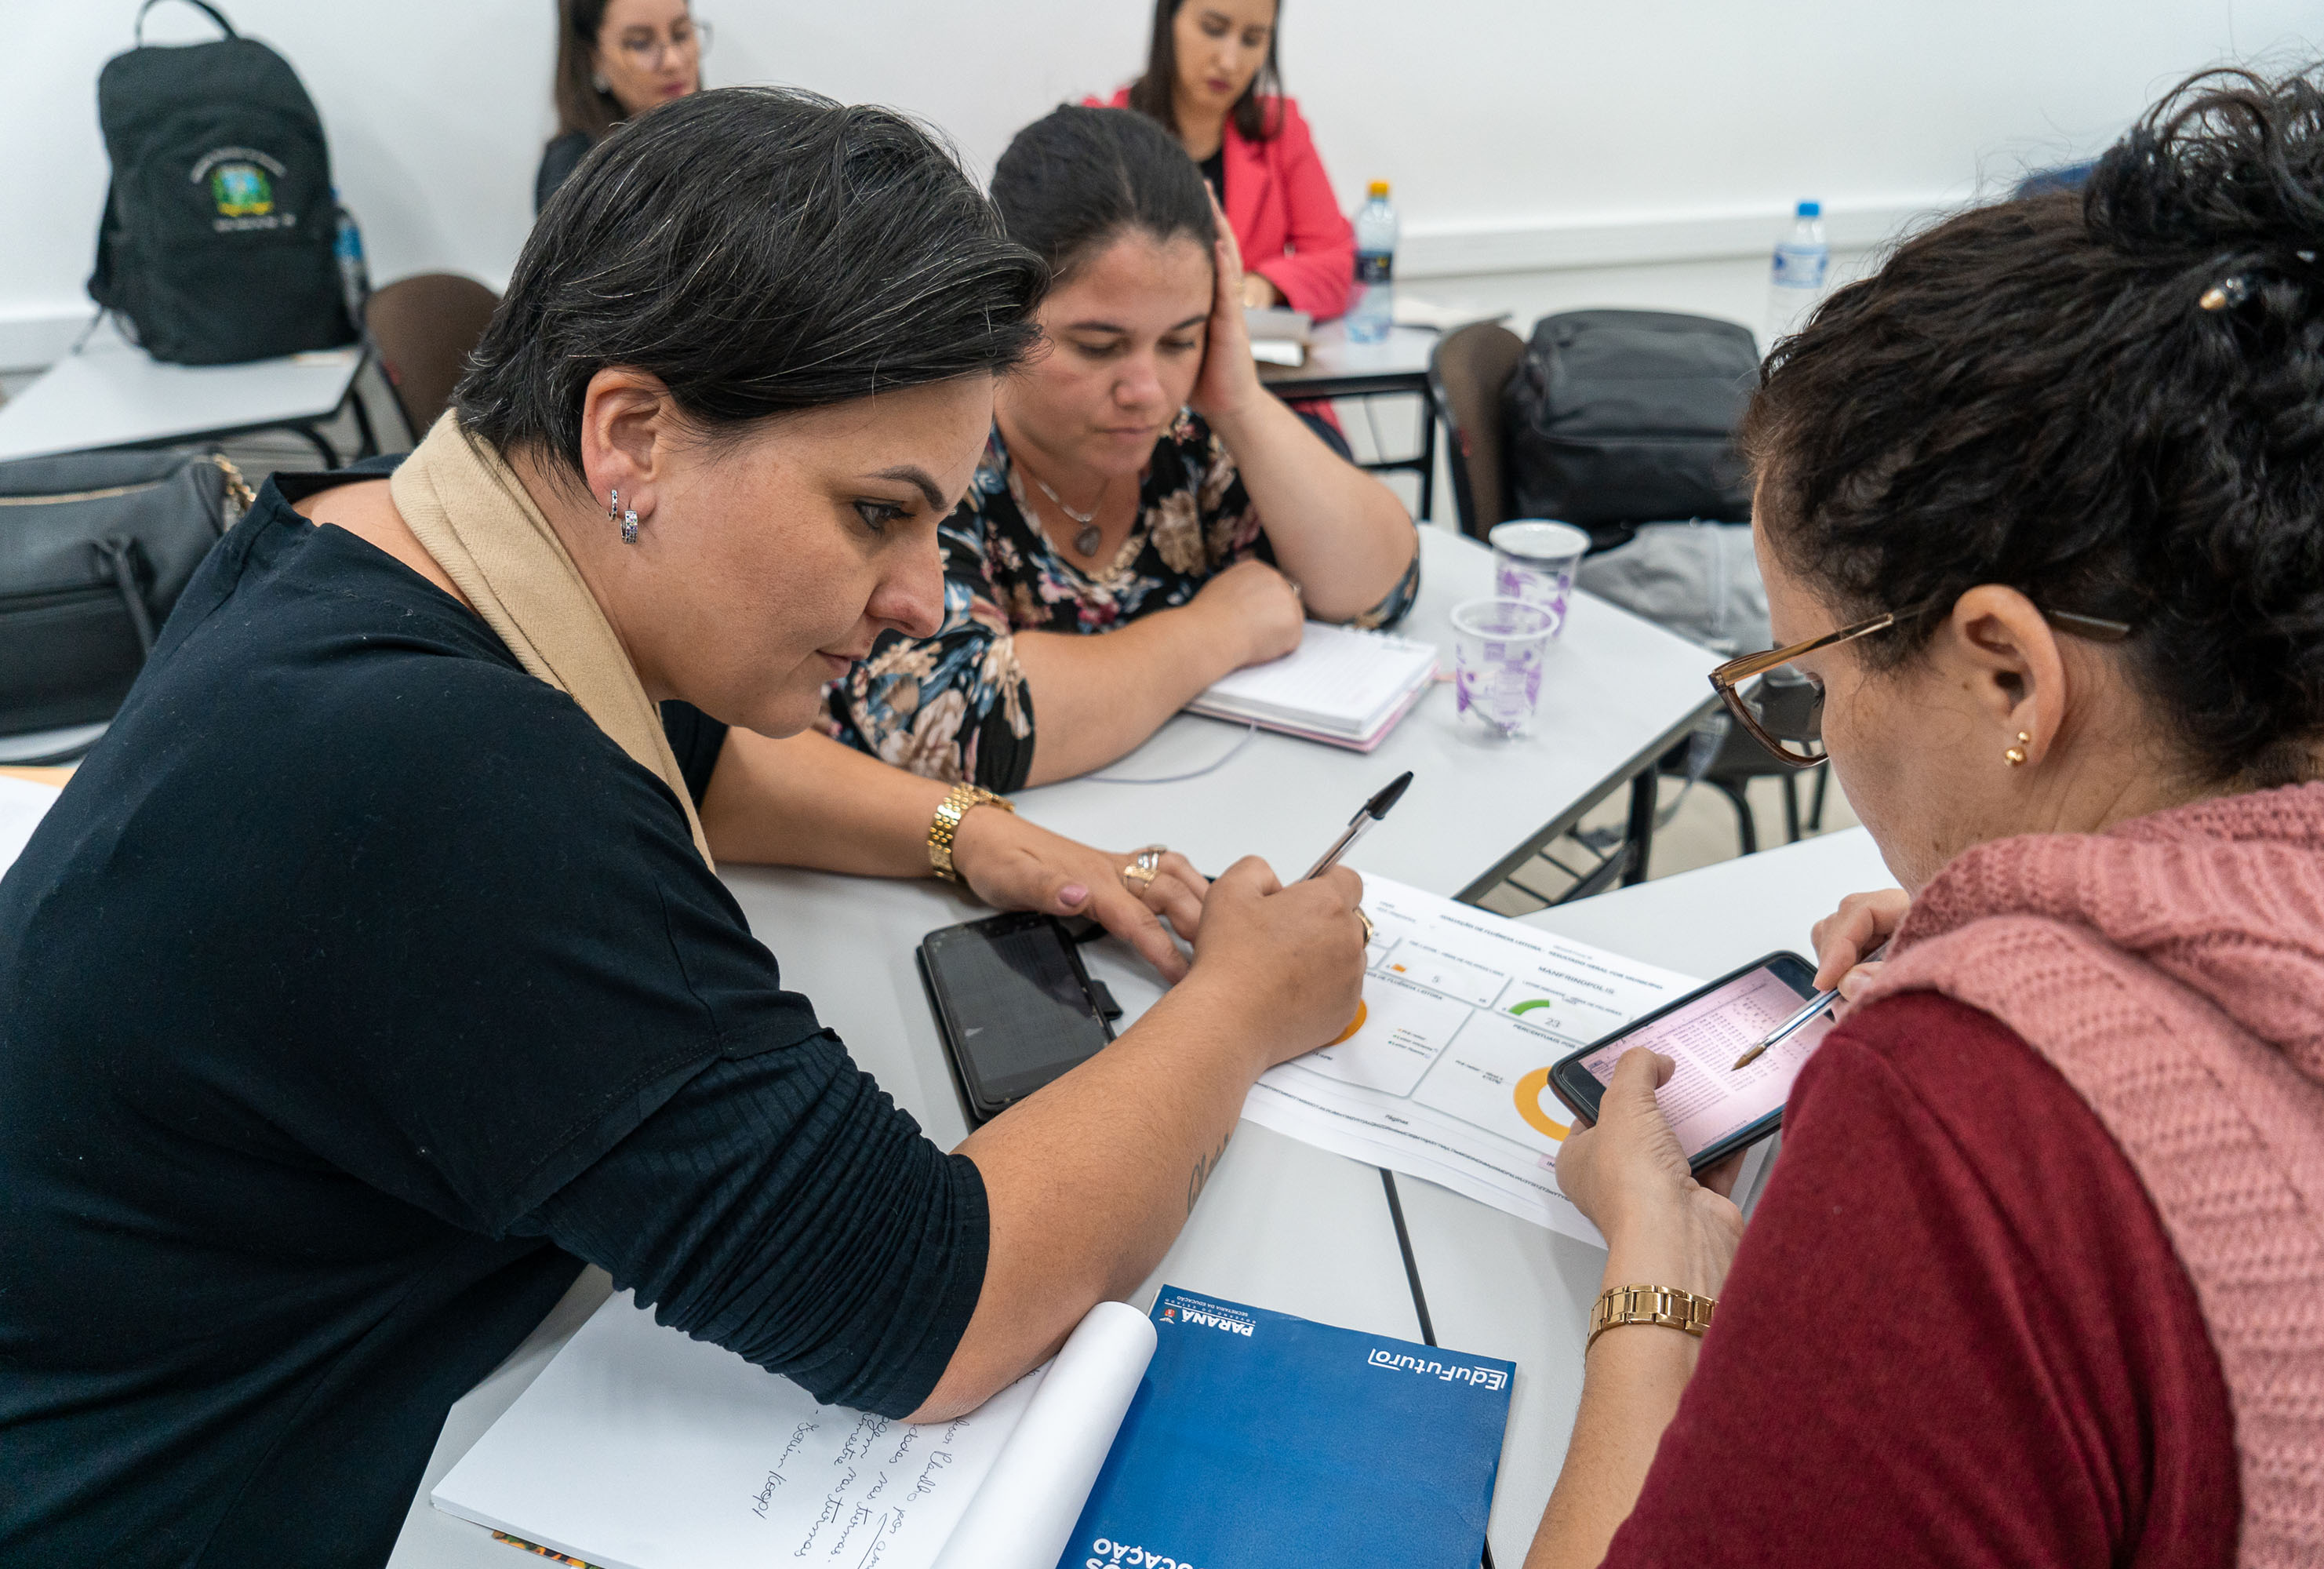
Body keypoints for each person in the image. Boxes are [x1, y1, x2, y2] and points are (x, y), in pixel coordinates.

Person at [0, 89, 1373, 1566]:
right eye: (874, 514)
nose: (921, 594)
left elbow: (693, 751)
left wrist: (974, 834)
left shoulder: (364, 538)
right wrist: (1242, 1002)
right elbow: (935, 1305)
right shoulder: (459, 784)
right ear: (633, 438)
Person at [1528, 64, 2324, 1567]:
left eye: (1808, 680)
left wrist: (1661, 1276)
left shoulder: (1970, 1111)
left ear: (2006, 673)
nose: (1815, 737)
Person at [824, 105, 1420, 792]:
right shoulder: (934, 454)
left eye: (1180, 340)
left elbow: (1379, 590)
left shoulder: (1190, 434)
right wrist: (1217, 631)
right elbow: (964, 722)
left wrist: (1240, 403)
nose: (1145, 390)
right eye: (1098, 346)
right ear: (1004, 311)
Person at [1102, 0, 1353, 322]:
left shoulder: (1279, 129)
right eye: (1213, 29)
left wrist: (1263, 287)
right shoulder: (1104, 133)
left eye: (1252, 39)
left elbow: (1337, 263)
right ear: (1168, 21)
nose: (1230, 62)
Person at [536, 0, 704, 213]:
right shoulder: (573, 171)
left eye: (681, 34)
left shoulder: (722, 138)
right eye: (640, 43)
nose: (673, 61)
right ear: (593, 57)